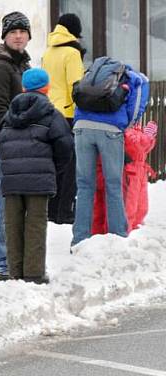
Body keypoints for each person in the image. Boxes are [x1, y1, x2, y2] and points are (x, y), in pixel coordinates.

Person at [0, 68, 74, 283]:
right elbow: (65, 145)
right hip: (39, 179)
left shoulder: (8, 115)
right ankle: (34, 273)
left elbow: (1, 143)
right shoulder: (51, 114)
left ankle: (15, 271)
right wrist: (54, 168)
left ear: (23, 88)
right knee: (36, 224)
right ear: (47, 88)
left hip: (12, 179)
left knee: (12, 224)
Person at [71, 61, 149, 247]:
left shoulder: (91, 74)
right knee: (113, 184)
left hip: (81, 127)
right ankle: (118, 236)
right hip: (110, 129)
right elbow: (136, 105)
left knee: (84, 185)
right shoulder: (131, 76)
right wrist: (125, 125)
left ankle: (79, 239)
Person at [0, 11, 31, 281]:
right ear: (4, 35)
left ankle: (16, 261)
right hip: (9, 146)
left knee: (18, 205)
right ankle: (3, 265)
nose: (18, 35)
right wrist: (13, 135)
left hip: (25, 145)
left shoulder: (21, 64)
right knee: (4, 204)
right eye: (13, 31)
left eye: (23, 31)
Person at [42, 13, 85, 224]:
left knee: (55, 164)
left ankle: (52, 210)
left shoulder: (48, 52)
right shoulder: (72, 53)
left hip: (49, 113)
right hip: (68, 114)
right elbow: (76, 87)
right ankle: (64, 212)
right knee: (71, 165)